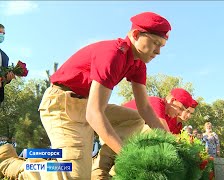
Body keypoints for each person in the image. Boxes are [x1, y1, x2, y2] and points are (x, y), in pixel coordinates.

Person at [0, 12, 171, 179]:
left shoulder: (138, 64)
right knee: (73, 175)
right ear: (135, 34)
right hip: (62, 104)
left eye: (161, 46)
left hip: (88, 105)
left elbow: (145, 109)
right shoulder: (113, 54)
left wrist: (174, 144)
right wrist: (127, 154)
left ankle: (99, 169)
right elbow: (94, 114)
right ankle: (14, 164)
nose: (158, 52)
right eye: (155, 43)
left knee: (137, 121)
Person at [92, 88, 195, 179]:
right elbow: (163, 134)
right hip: (109, 126)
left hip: (121, 135)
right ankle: (99, 171)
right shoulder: (157, 102)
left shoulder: (168, 116)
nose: (180, 114)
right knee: (149, 131)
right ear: (172, 100)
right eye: (180, 109)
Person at [0, 24, 15, 105]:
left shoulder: (5, 57)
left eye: (3, 33)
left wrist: (8, 78)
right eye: (0, 32)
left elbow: (4, 80)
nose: (1, 35)